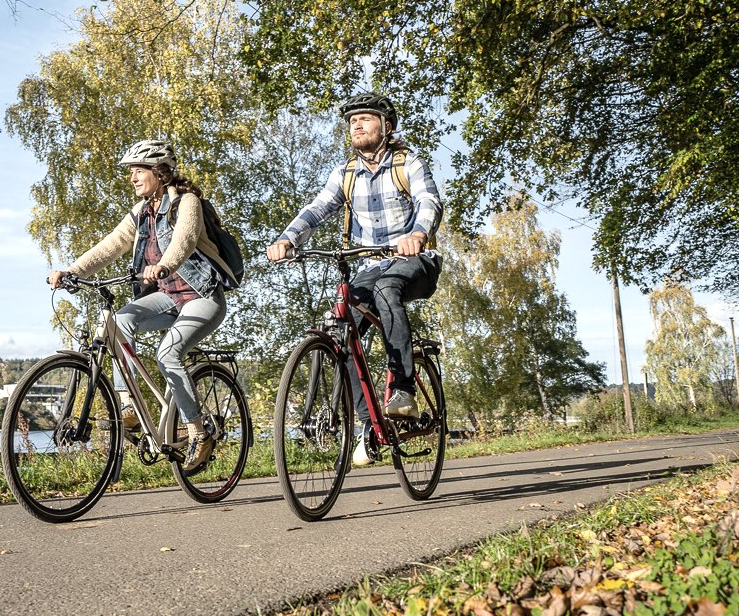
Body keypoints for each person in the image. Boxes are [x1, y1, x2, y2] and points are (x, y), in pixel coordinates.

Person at [266, 92, 443, 466]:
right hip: (366, 265)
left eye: (366, 118)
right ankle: (370, 425)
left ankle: (402, 389)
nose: (357, 125)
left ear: (387, 126)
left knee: (385, 287)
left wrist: (418, 235)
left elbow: (429, 200)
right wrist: (287, 238)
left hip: (415, 262)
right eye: (352, 121)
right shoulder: (345, 173)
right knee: (339, 330)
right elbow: (316, 208)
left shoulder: (407, 162)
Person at [48, 140, 236, 474]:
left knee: (168, 354)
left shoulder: (186, 202)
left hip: (202, 296)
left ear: (160, 172)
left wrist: (164, 265)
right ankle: (129, 405)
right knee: (118, 323)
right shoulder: (141, 212)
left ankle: (197, 432)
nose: (133, 178)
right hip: (167, 297)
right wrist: (72, 271)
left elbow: (186, 239)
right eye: (132, 173)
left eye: (139, 172)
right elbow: (111, 245)